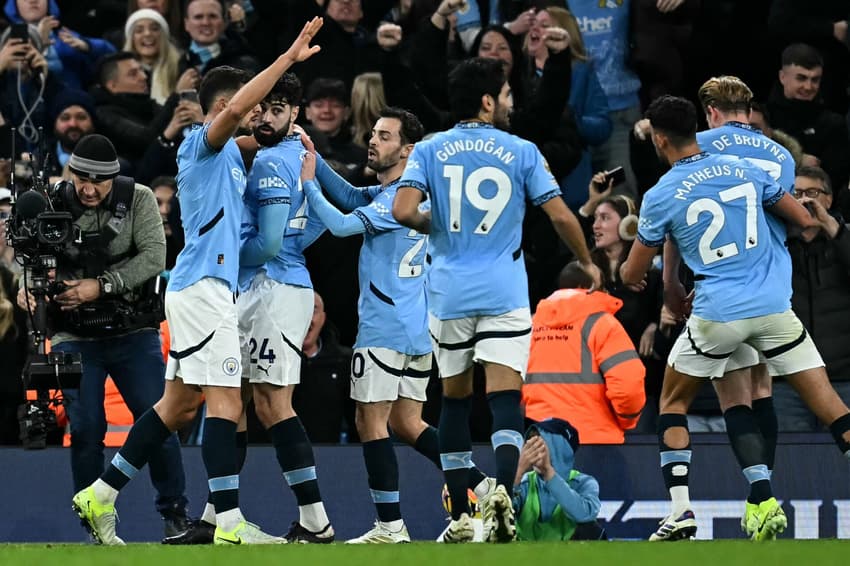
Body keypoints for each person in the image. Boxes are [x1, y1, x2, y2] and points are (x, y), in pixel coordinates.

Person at [69, 16, 324, 546]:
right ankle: (229, 523)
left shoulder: (231, 152)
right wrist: (287, 58)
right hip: (204, 288)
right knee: (227, 404)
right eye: (252, 105)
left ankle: (101, 494)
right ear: (226, 106)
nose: (258, 113)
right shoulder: (201, 143)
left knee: (176, 407)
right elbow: (234, 111)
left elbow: (261, 141)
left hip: (199, 288)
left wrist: (296, 144)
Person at [620, 95, 849, 542]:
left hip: (717, 313)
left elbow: (631, 272)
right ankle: (761, 498)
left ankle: (682, 512)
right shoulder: (749, 169)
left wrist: (653, 276)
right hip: (773, 308)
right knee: (832, 409)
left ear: (661, 139)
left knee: (672, 403)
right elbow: (802, 219)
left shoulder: (661, 193)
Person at [392, 57, 601, 543]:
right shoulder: (521, 150)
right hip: (504, 291)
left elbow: (404, 210)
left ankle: (462, 516)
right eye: (505, 94)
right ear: (487, 101)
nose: (509, 102)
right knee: (505, 398)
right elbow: (561, 216)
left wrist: (434, 222)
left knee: (456, 403)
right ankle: (502, 493)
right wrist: (587, 260)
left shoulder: (428, 149)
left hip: (448, 292)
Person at [301, 106, 495, 543]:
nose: (373, 140)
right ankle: (483, 487)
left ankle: (390, 527)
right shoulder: (409, 195)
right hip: (418, 329)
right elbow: (352, 196)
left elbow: (341, 224)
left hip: (384, 327)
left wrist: (309, 182)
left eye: (384, 136)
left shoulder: (393, 200)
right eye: (373, 133)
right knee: (409, 423)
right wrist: (317, 158)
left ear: (408, 149)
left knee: (370, 422)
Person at [15, 134, 190, 538]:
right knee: (86, 428)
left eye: (99, 181)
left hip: (133, 330)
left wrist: (102, 284)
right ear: (71, 174)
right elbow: (24, 254)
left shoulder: (141, 198)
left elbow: (154, 257)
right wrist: (29, 287)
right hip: (72, 335)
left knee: (157, 419)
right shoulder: (50, 200)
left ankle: (174, 513)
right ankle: (94, 521)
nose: (89, 189)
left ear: (115, 177)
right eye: (81, 179)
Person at [235, 72, 335, 544]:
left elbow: (271, 241)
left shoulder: (273, 159)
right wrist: (294, 244)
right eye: (263, 108)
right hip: (274, 286)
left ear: (295, 113)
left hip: (272, 288)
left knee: (272, 405)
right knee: (236, 400)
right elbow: (324, 214)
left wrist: (219, 259)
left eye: (279, 109)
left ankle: (316, 520)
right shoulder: (299, 154)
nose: (268, 117)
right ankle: (222, 517)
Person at [524, 261, 646, 444]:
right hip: (595, 440)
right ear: (588, 287)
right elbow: (628, 385)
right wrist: (627, 420)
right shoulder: (603, 324)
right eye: (602, 286)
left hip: (540, 441)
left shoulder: (531, 325)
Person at [778, 166, 850, 430]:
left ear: (829, 199)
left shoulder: (844, 237)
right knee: (790, 463)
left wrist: (831, 226)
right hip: (789, 381)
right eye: (795, 193)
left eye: (812, 193)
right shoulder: (775, 243)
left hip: (843, 377)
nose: (804, 200)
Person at [513, 419, 605, 542]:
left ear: (560, 450)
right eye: (530, 442)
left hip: (571, 557)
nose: (532, 449)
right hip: (524, 557)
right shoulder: (524, 482)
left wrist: (548, 472)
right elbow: (498, 515)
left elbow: (585, 514)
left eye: (539, 442)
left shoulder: (584, 483)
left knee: (593, 530)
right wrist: (518, 472)